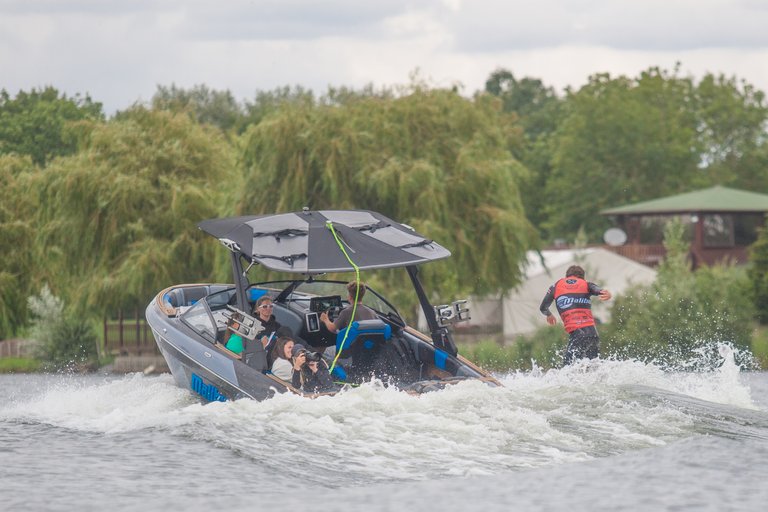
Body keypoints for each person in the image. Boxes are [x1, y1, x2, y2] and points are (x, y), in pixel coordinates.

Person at [540, 265, 612, 365]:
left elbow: (543, 308)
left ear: (567, 276)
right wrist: (605, 293)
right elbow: (598, 290)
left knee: (567, 370)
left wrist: (549, 314)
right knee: (594, 371)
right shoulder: (586, 284)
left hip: (579, 335)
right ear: (582, 278)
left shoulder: (555, 287)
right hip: (593, 335)